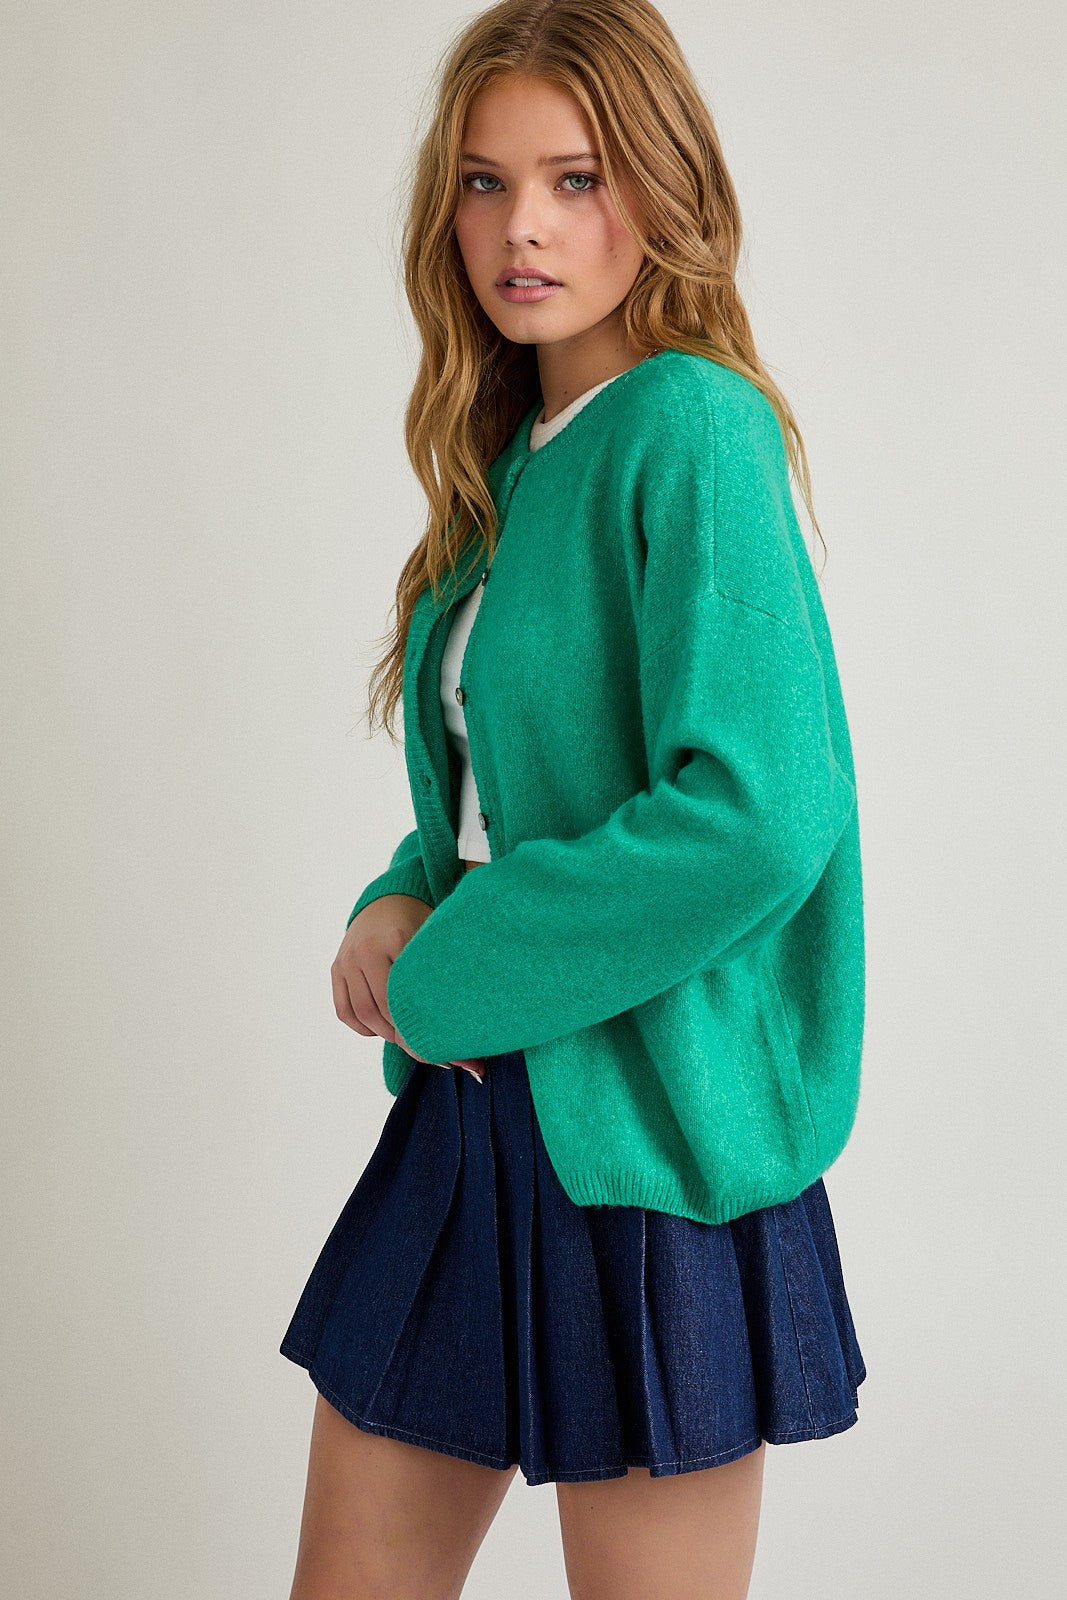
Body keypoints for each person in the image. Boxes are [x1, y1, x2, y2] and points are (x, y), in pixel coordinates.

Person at [280, 2, 867, 1595]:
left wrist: (455, 964)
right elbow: (519, 789)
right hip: (470, 1124)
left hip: (645, 1141)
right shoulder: (516, 459)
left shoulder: (694, 426)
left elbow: (756, 810)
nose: (521, 226)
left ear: (662, 187)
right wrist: (404, 892)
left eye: (574, 176)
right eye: (484, 182)